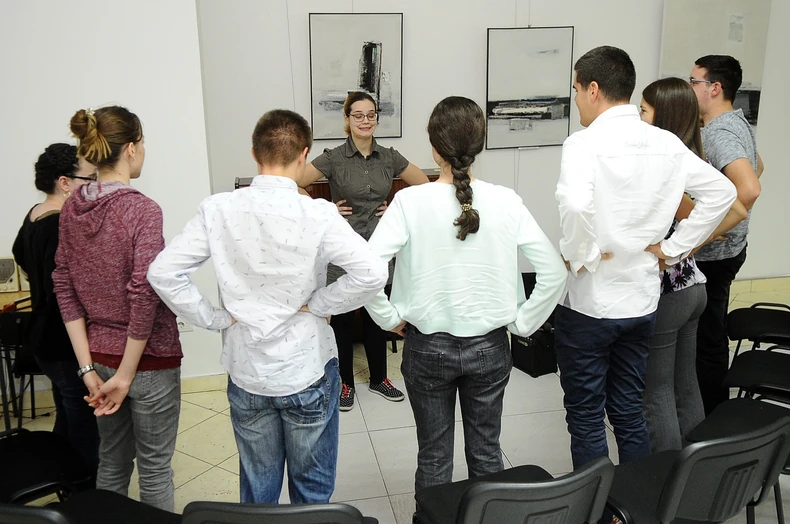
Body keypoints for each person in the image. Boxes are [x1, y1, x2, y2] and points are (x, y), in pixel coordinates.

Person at [147, 109, 388, 504]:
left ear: (254, 153)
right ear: (304, 155)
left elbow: (163, 273)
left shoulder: (218, 209)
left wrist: (215, 318)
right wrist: (321, 303)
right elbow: (373, 273)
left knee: (258, 492)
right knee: (311, 493)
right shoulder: (317, 212)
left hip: (248, 370)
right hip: (305, 366)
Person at [364, 96, 567, 493]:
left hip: (427, 347)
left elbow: (366, 271)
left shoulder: (409, 202)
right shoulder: (506, 200)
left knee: (434, 457)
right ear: (479, 145)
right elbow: (554, 272)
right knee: (487, 454)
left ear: (434, 147)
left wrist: (389, 318)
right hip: (490, 347)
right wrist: (522, 323)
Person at [554, 46, 737, 470]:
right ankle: (637, 499)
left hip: (592, 304)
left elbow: (576, 205)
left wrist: (581, 254)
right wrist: (673, 250)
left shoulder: (582, 143)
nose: (577, 99)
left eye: (577, 90)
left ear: (593, 89)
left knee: (586, 415)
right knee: (628, 409)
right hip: (641, 301)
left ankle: (598, 503)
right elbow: (723, 193)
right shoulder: (666, 143)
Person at [52, 106, 182, 511]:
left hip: (99, 360)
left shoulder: (72, 207)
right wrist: (126, 376)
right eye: (142, 143)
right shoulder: (143, 210)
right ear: (130, 148)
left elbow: (64, 286)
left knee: (112, 461)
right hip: (148, 361)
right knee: (155, 469)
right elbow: (144, 294)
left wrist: (87, 368)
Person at [299, 91, 429, 411]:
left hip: (379, 248)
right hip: (343, 250)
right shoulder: (333, 157)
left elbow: (424, 184)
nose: (365, 121)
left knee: (377, 316)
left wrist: (396, 206)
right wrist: (325, 208)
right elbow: (294, 182)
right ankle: (345, 383)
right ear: (347, 119)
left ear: (376, 119)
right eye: (358, 115)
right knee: (342, 320)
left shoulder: (389, 157)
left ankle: (379, 379)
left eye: (370, 115)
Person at [638, 78, 748, 452]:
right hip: (693, 286)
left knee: (656, 394)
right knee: (685, 387)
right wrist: (692, 243)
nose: (638, 118)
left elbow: (735, 205)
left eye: (643, 111)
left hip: (669, 292)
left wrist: (675, 249)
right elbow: (736, 208)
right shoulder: (694, 158)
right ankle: (697, 471)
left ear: (662, 116)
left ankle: (667, 477)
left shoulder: (668, 167)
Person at [12, 143, 100, 479]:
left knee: (67, 411)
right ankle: (83, 488)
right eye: (88, 179)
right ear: (64, 182)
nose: (94, 186)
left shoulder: (35, 214)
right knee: (83, 424)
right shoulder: (60, 224)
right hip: (61, 340)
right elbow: (62, 292)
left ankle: (61, 478)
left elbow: (20, 255)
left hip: (41, 338)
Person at [689, 55, 764, 415]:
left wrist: (707, 232)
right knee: (711, 331)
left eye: (694, 82)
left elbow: (749, 187)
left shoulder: (719, 132)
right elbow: (758, 165)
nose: (689, 88)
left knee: (708, 340)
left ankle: (712, 417)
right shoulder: (737, 122)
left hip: (716, 256)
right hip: (733, 248)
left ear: (715, 88)